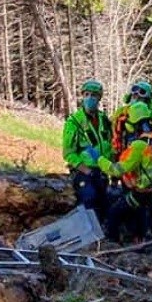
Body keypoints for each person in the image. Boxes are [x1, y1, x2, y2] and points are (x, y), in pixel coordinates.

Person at [95, 101, 152, 243]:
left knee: (114, 213)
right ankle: (141, 239)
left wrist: (99, 159)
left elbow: (117, 170)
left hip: (141, 193)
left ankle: (113, 243)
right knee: (140, 216)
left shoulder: (139, 145)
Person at [63, 79, 113, 220]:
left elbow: (109, 145)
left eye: (94, 95)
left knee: (104, 205)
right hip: (84, 172)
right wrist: (86, 170)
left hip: (102, 171)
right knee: (88, 199)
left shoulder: (104, 120)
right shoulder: (74, 122)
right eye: (86, 94)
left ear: (99, 98)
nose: (90, 98)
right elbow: (68, 153)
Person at [111, 80, 152, 154]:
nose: (136, 98)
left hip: (140, 149)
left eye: (139, 97)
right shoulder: (122, 111)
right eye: (134, 96)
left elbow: (149, 134)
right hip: (123, 149)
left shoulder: (148, 113)